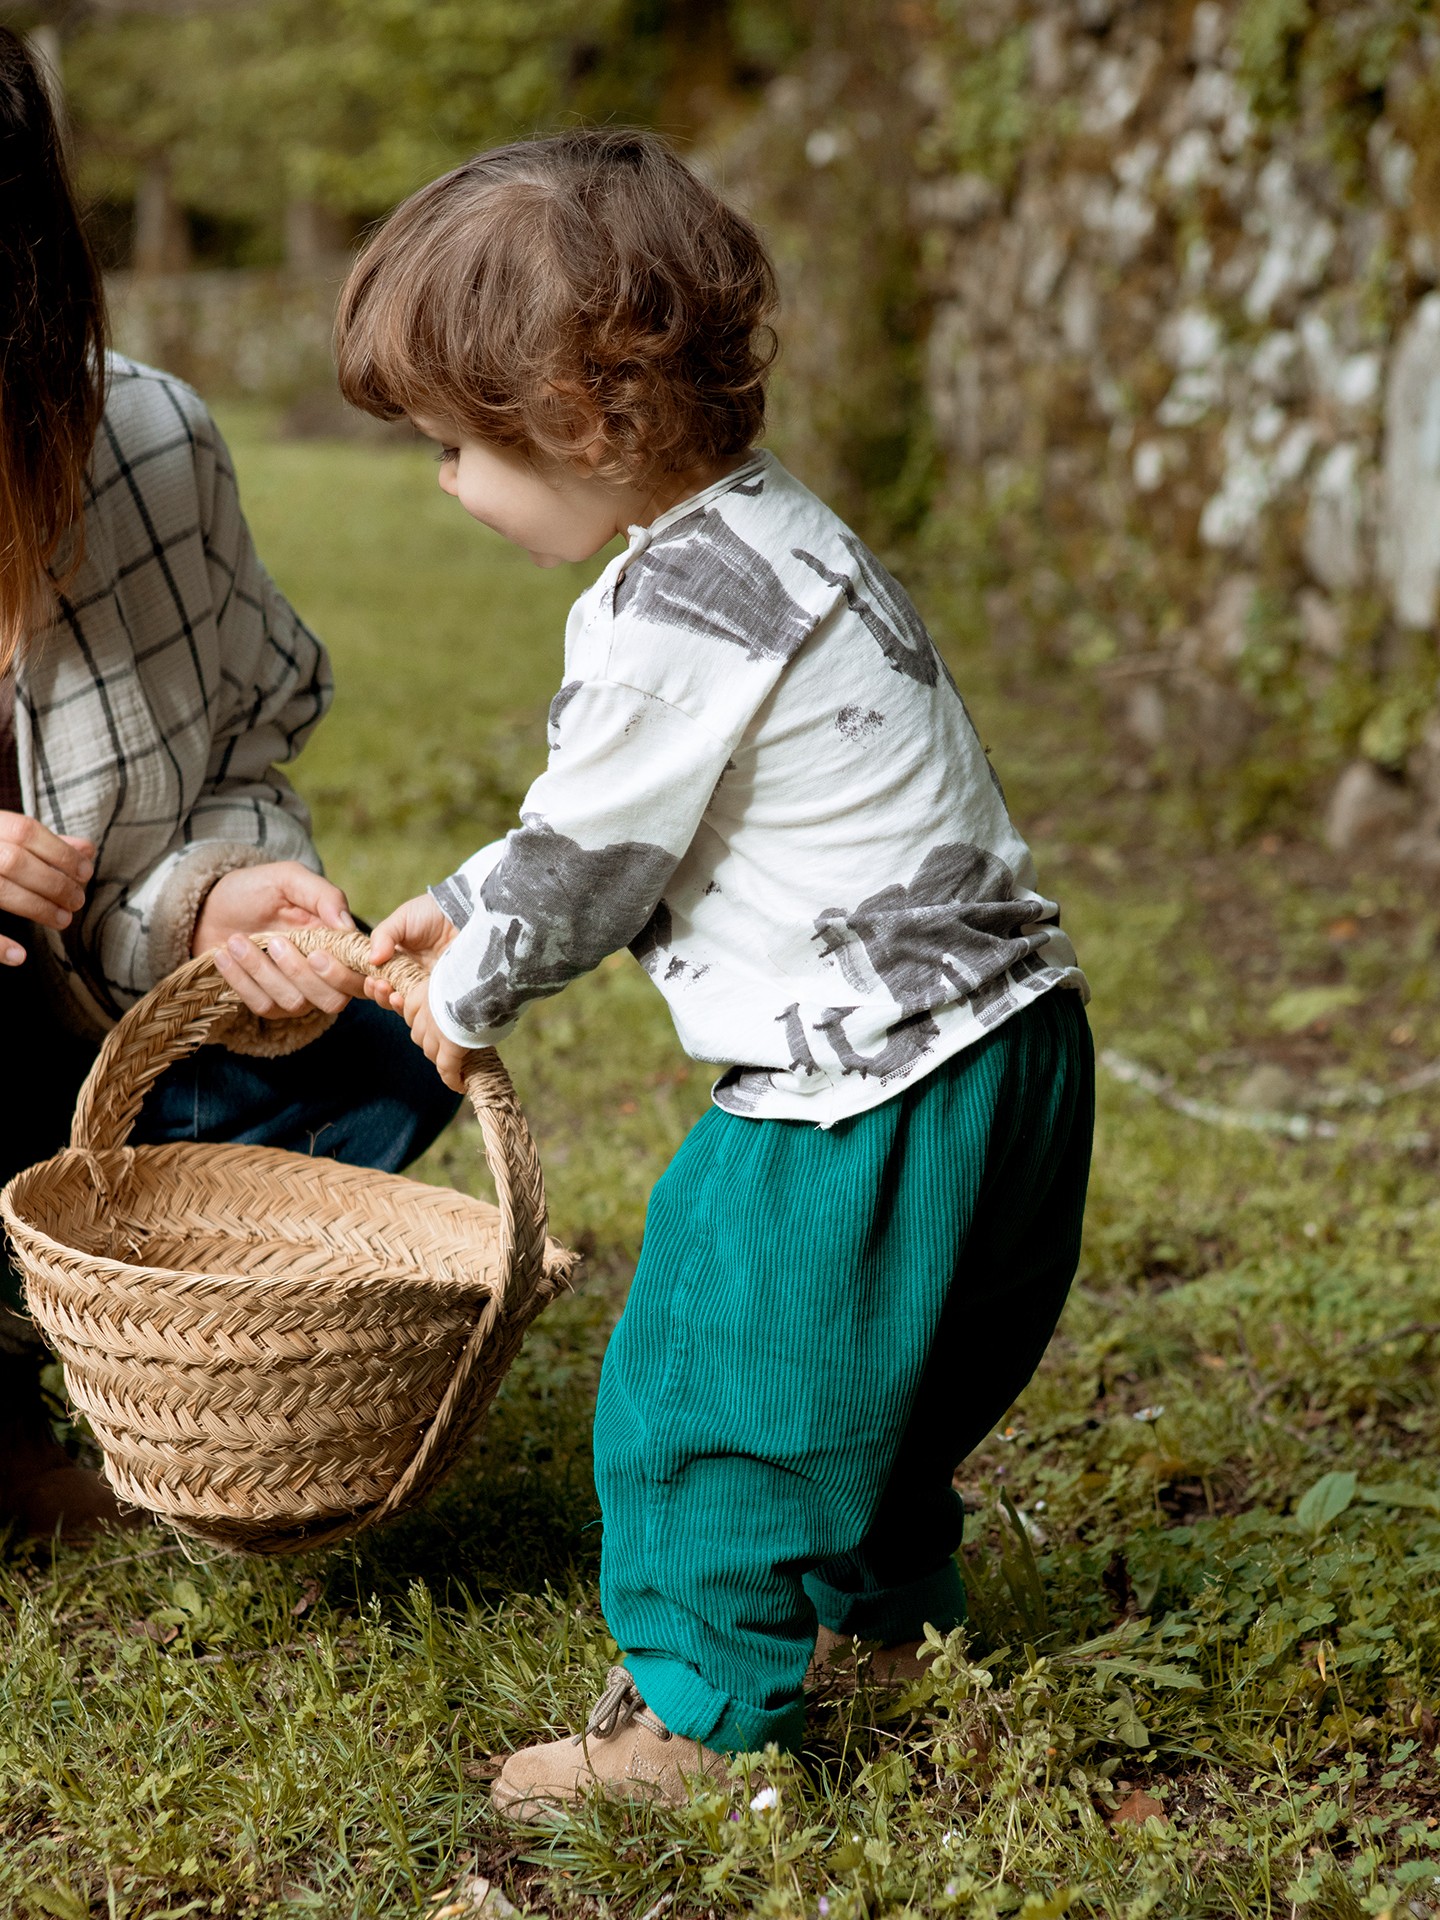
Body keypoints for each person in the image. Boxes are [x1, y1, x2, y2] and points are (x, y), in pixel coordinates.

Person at [332, 126, 1094, 1814]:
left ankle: (693, 1721)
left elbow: (599, 861)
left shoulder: (676, 607)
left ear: (584, 417)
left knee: (706, 1367)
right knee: (885, 1364)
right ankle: (882, 1623)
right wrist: (459, 902)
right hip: (1009, 1044)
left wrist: (460, 998)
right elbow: (623, 813)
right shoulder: (775, 543)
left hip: (862, 1083)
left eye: (462, 444)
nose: (450, 481)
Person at [0, 26, 459, 1539]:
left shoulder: (148, 444)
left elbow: (234, 757)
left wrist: (220, 896)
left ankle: (94, 1333)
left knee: (384, 1057)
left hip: (77, 1040)